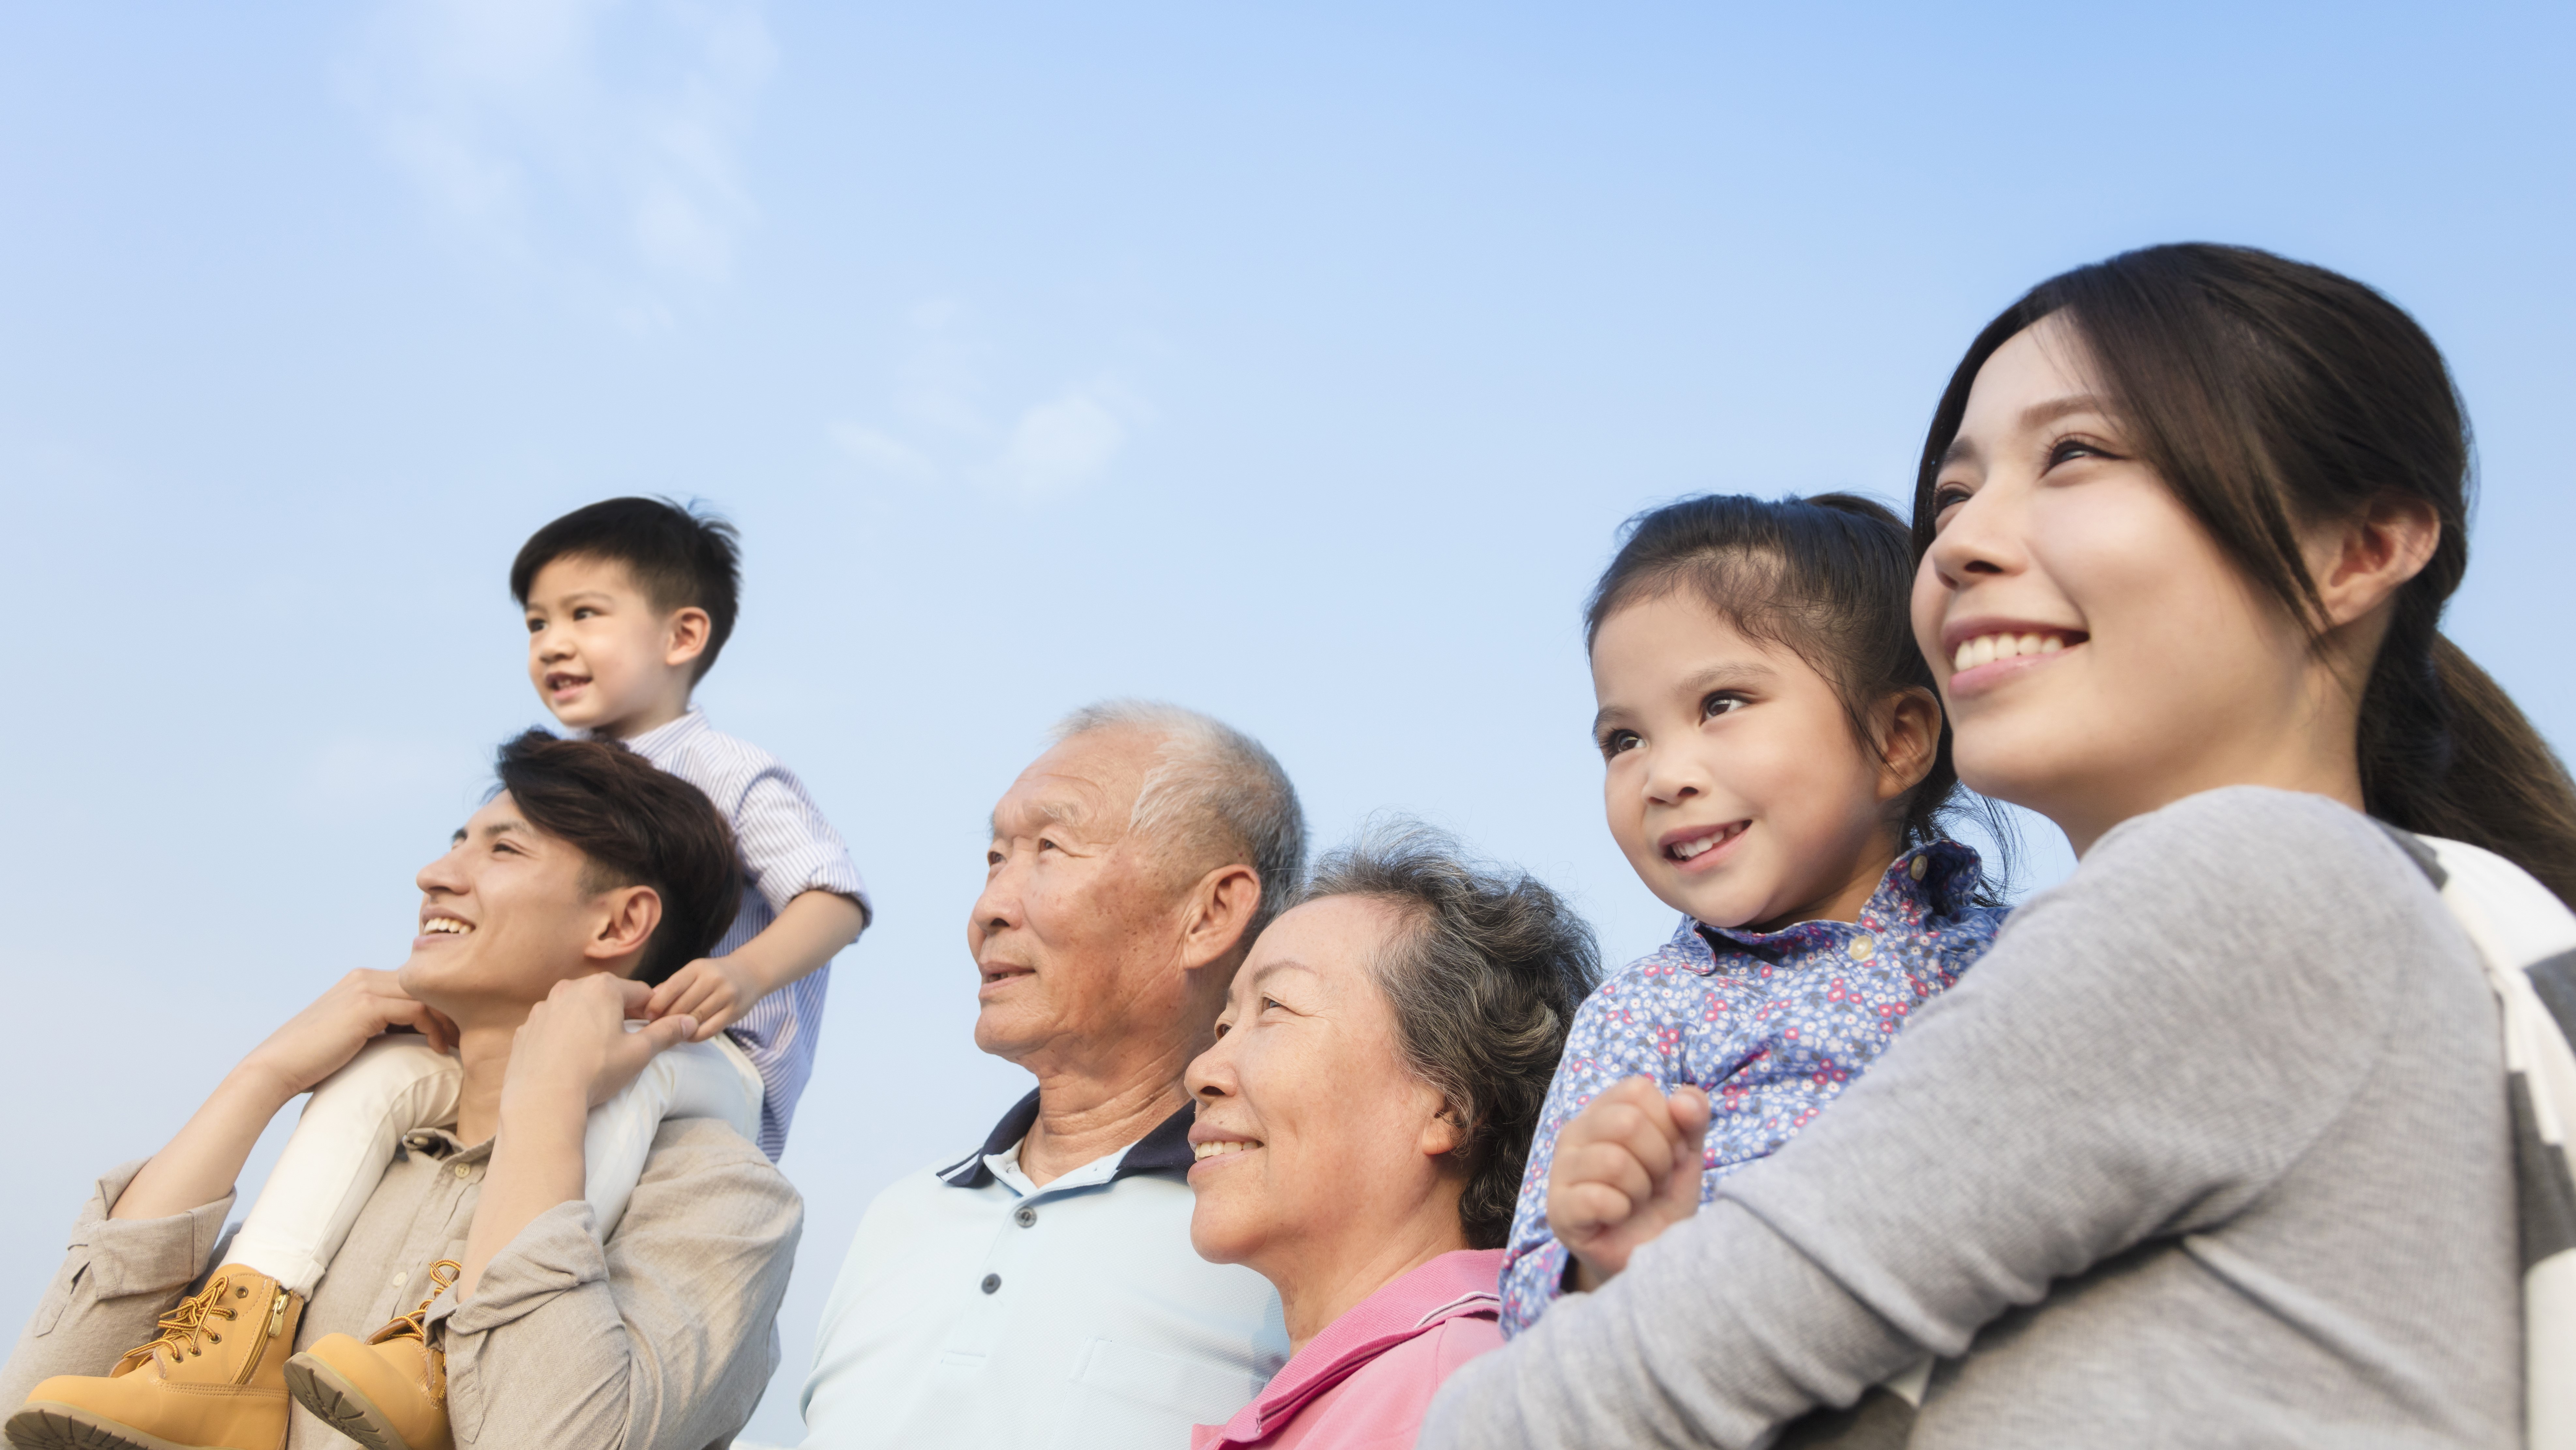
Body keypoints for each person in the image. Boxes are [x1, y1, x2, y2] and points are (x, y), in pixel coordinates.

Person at [1422, 243, 2575, 1448]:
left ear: (2360, 548)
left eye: (2073, 453)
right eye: (1951, 499)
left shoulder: (2242, 888)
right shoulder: (2389, 918)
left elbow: (1542, 1421)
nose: (1959, 545)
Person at [181, 498, 866, 1446]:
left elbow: (835, 895)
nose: (553, 641)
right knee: (379, 1073)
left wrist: (742, 976)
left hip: (706, 1048)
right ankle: (236, 1329)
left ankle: (444, 1329)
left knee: (625, 1076)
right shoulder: (558, 776)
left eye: (585, 613)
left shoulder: (730, 767)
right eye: (537, 621)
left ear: (684, 632)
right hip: (575, 1039)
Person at [4, 732, 802, 1450]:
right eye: (455, 842)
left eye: (503, 851)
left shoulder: (721, 1202)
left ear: (620, 925)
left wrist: (548, 1099)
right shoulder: (334, 1195)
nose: (434, 874)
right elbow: (34, 1407)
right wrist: (262, 1077)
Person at [1498, 494, 2009, 1339]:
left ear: (1897, 739)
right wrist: (1599, 1259)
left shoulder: (2016, 951)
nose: (1663, 774)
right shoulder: (1646, 1014)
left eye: (1721, 703)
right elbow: (1528, 1313)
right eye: (1623, 738)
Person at [793, 702, 1304, 1448]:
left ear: (1210, 914)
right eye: (996, 858)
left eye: (1051, 849)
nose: (988, 909)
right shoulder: (900, 1217)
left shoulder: (1283, 1238)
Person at [1185, 828, 1598, 1450]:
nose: (1201, 1070)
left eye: (1274, 1006)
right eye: (1224, 1023)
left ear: (1451, 1104)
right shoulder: (1385, 1390)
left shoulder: (1457, 1398)